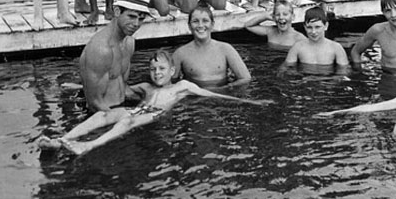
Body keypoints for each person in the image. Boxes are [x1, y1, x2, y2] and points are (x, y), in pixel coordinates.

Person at [39, 50, 272, 155]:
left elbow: (212, 96)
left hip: (155, 114)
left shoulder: (182, 87)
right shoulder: (146, 87)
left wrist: (250, 103)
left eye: (161, 69)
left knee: (128, 120)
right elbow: (116, 89)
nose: (156, 73)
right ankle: (63, 140)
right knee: (104, 115)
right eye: (152, 69)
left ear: (172, 70)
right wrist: (81, 87)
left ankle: (88, 146)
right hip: (139, 108)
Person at [78, 0, 151, 112]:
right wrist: (126, 119)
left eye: (141, 19)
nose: (136, 24)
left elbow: (124, 86)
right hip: (100, 116)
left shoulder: (129, 42)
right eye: (131, 16)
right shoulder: (101, 50)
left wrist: (146, 103)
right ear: (117, 11)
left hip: (121, 108)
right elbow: (94, 103)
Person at [173, 6, 252, 87]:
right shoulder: (180, 54)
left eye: (205, 21)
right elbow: (171, 83)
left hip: (222, 95)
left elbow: (245, 78)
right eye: (195, 21)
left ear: (212, 24)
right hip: (193, 97)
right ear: (189, 26)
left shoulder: (226, 49)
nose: (200, 25)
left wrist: (226, 88)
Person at [285, 6, 349, 69]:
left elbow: (344, 71)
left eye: (317, 27)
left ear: (326, 26)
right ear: (304, 27)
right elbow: (287, 68)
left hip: (327, 78)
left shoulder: (336, 48)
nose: (313, 31)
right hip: (305, 78)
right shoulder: (297, 47)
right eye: (309, 27)